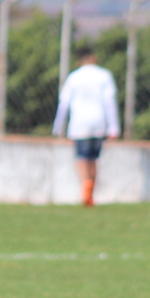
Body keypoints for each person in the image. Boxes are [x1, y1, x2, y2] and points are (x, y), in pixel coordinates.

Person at [52, 46, 120, 207]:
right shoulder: (104, 75)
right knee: (94, 158)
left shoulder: (74, 77)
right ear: (93, 57)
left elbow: (64, 103)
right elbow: (110, 102)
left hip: (79, 124)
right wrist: (114, 127)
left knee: (82, 157)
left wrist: (58, 126)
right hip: (99, 122)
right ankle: (90, 190)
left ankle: (86, 186)